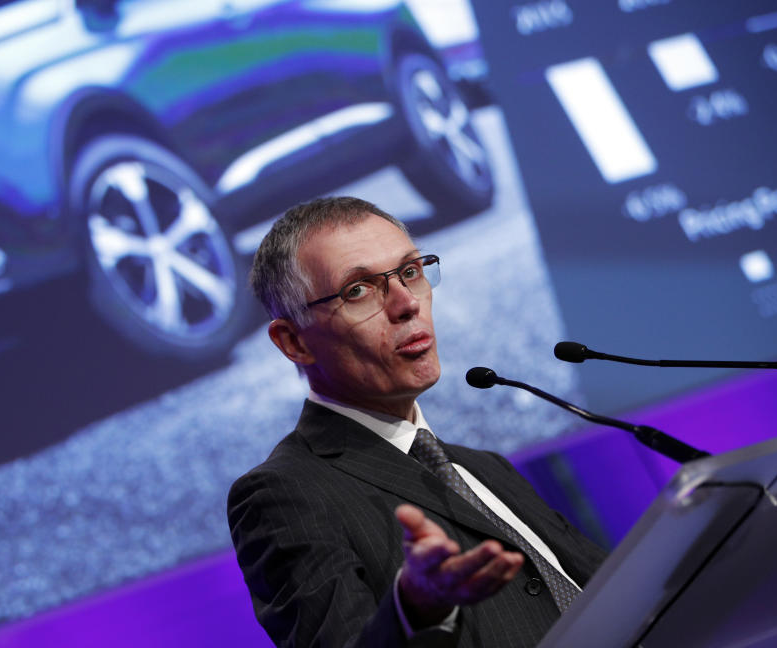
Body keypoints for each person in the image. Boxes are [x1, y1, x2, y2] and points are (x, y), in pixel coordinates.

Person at [228, 197, 606, 647]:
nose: (406, 303)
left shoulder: (486, 469)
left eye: (410, 272)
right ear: (293, 341)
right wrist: (416, 610)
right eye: (359, 290)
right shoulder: (284, 493)